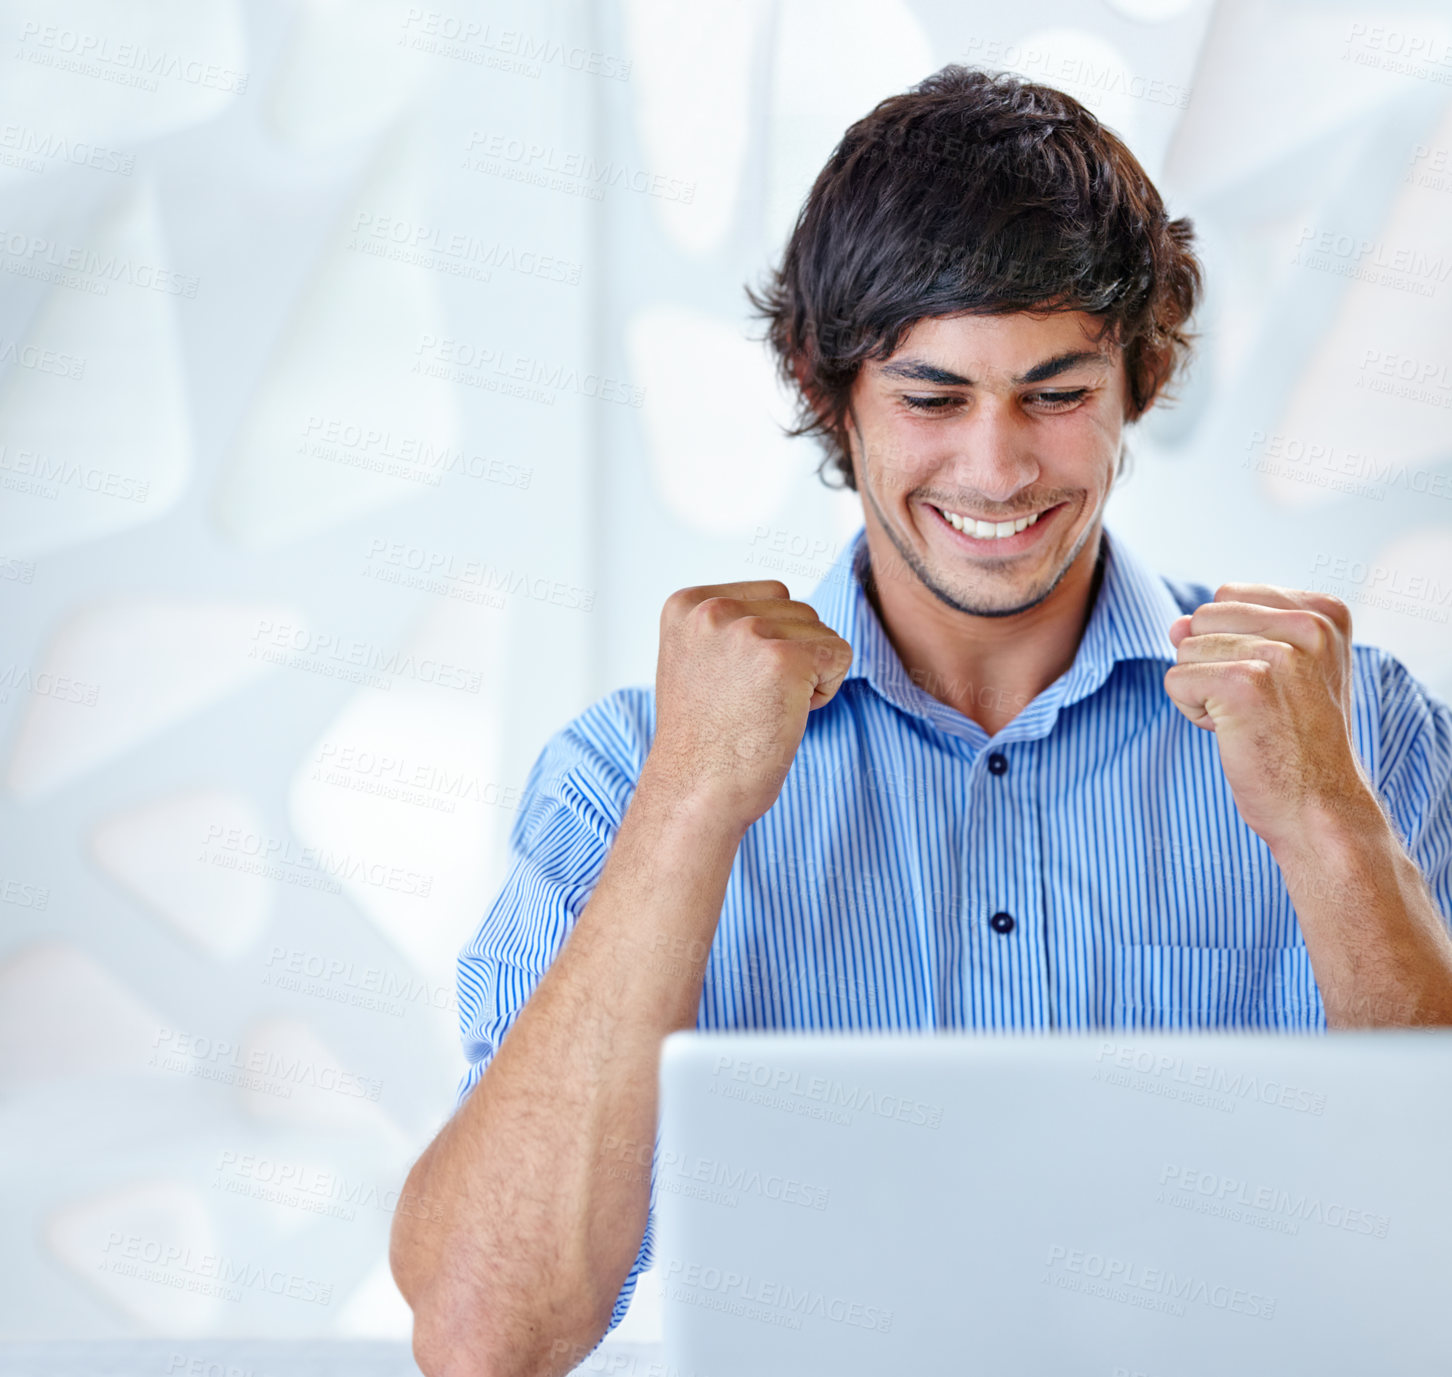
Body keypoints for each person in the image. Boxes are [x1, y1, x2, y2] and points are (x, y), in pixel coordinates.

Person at [389, 64, 1452, 1377]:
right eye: (933, 398)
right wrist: (687, 805)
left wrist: (1333, 831)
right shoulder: (625, 773)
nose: (998, 468)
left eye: (1057, 394)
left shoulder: (1363, 733)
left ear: (1145, 373)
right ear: (827, 388)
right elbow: (490, 1332)